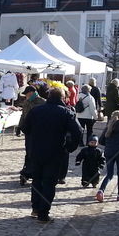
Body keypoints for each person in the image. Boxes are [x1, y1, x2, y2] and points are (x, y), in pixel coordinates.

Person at [23, 88, 82, 222]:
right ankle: (43, 214)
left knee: (37, 180)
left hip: (36, 151)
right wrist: (70, 147)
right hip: (55, 152)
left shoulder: (36, 110)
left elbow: (25, 128)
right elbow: (78, 131)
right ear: (62, 98)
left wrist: (32, 142)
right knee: (49, 182)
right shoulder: (66, 112)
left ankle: (36, 208)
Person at [16, 85, 45, 185]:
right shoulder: (26, 102)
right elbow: (23, 115)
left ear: (32, 92)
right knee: (29, 152)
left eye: (27, 94)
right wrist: (19, 127)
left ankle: (36, 172)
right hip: (28, 130)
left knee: (36, 152)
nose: (26, 96)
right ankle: (27, 171)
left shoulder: (42, 102)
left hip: (39, 131)